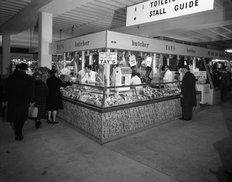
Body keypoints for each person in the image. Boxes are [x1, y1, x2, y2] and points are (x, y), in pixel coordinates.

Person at [6, 63, 34, 141]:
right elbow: (31, 91)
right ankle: (20, 132)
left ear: (18, 69)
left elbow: (7, 89)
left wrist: (5, 99)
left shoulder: (11, 77)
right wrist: (32, 100)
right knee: (22, 117)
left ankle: (18, 133)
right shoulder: (29, 78)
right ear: (26, 69)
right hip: (24, 101)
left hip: (13, 100)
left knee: (15, 117)